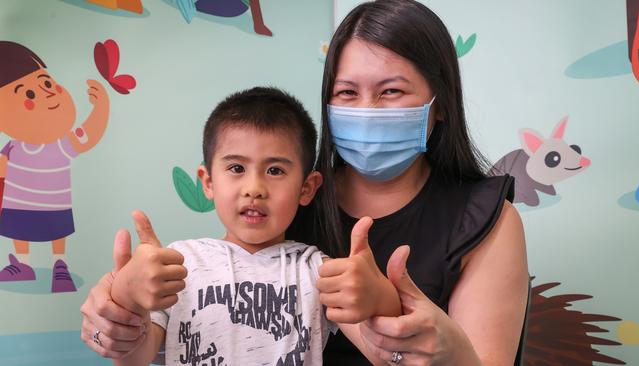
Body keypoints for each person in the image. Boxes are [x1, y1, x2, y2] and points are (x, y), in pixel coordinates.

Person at [81, 0, 529, 365]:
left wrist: (393, 311)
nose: (256, 187)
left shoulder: (480, 217)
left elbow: (386, 346)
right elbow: (134, 344)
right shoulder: (267, 217)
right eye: (348, 93)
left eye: (391, 91)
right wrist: (120, 304)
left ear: (440, 103)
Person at [101, 86, 401, 365]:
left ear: (306, 188)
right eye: (236, 168)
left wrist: (380, 298)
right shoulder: (176, 265)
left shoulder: (318, 270)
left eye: (274, 170)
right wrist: (128, 297)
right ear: (208, 182)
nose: (254, 187)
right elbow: (133, 358)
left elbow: (383, 353)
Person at [0, 41, 110, 292]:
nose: (46, 93)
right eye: (28, 94)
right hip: (18, 206)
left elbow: (89, 134)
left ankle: (59, 266)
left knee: (56, 235)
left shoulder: (61, 145)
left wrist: (101, 106)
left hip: (53, 206)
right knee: (19, 232)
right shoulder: (12, 147)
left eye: (47, 83)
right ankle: (24, 265)